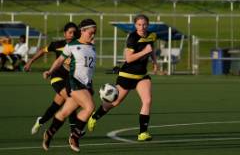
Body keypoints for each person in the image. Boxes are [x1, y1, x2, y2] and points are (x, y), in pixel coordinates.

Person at [87, 14, 158, 141]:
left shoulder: (152, 35)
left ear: (148, 24)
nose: (142, 27)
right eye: (139, 24)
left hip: (142, 76)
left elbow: (151, 49)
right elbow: (129, 59)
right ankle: (94, 117)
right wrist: (145, 51)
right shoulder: (132, 37)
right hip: (127, 75)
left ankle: (143, 133)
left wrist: (155, 62)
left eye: (144, 24)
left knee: (147, 100)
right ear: (135, 25)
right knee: (115, 102)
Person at [41, 18, 97, 152]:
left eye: (94, 32)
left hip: (86, 85)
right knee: (90, 107)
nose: (93, 35)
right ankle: (74, 136)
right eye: (91, 32)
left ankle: (49, 133)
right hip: (74, 82)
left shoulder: (92, 47)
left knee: (64, 112)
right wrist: (50, 71)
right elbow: (60, 61)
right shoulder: (71, 45)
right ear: (82, 31)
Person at [24, 22, 79, 135]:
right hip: (57, 76)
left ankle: (41, 120)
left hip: (70, 80)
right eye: (70, 32)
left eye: (74, 32)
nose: (72, 34)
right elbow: (42, 51)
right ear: (65, 34)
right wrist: (30, 61)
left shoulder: (79, 46)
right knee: (71, 99)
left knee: (55, 106)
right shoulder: (57, 44)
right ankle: (74, 130)